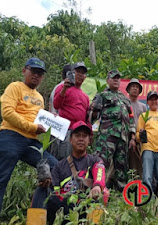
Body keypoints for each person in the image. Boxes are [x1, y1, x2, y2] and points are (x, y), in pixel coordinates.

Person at [0, 58, 58, 212]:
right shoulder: (14, 87)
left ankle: (39, 214)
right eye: (33, 71)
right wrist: (32, 126)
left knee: (53, 167)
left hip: (31, 141)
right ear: (24, 70)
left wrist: (52, 122)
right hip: (10, 135)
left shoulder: (39, 97)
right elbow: (7, 113)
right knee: (2, 178)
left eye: (40, 73)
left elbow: (39, 120)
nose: (36, 75)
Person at [31, 121, 108, 224]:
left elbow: (100, 173)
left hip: (86, 205)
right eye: (77, 135)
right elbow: (55, 191)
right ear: (70, 140)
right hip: (66, 207)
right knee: (41, 190)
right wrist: (45, 182)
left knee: (100, 194)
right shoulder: (60, 165)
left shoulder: (95, 161)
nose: (81, 139)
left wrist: (97, 186)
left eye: (84, 136)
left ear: (89, 140)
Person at [89, 69, 136, 191]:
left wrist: (132, 137)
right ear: (108, 80)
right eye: (113, 77)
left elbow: (131, 118)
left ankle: (120, 197)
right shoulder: (102, 95)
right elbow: (91, 116)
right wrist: (94, 112)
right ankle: (95, 191)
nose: (116, 80)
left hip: (123, 138)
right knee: (101, 164)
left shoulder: (124, 98)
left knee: (122, 168)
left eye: (118, 78)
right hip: (107, 136)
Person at [51, 62, 90, 160]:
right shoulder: (63, 87)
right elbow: (56, 105)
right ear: (72, 73)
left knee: (76, 160)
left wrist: (90, 134)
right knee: (62, 160)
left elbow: (86, 116)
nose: (80, 75)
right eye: (78, 72)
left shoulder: (85, 96)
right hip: (65, 131)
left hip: (79, 133)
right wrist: (64, 89)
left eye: (83, 73)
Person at [137, 91, 158, 195]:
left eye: (155, 99)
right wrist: (141, 135)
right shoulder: (144, 115)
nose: (154, 101)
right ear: (147, 102)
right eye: (151, 99)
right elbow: (137, 135)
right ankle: (148, 201)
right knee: (147, 177)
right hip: (148, 149)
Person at [126, 78, 147, 177]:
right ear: (128, 89)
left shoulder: (143, 107)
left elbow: (145, 123)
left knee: (138, 163)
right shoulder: (125, 103)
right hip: (125, 136)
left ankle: (137, 183)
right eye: (133, 86)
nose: (135, 89)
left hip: (138, 139)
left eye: (137, 87)